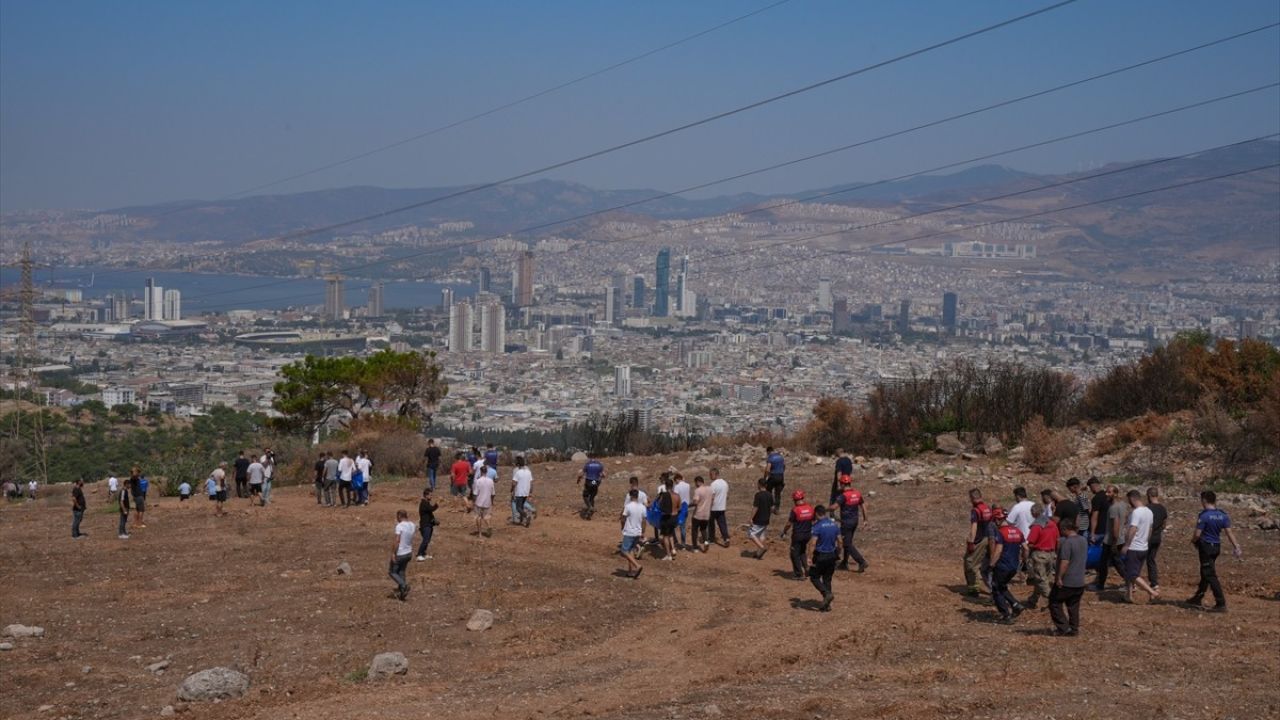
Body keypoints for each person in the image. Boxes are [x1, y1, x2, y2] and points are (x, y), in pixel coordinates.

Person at [1186, 491, 1242, 612]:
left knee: (1209, 574)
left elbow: (1197, 534)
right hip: (1216, 547)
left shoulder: (1204, 516)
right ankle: (1198, 597)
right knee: (1205, 571)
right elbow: (1229, 532)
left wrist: (1193, 541)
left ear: (1204, 500)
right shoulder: (1222, 515)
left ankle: (1221, 603)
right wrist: (1236, 546)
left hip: (1206, 547)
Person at [1119, 489, 1160, 604]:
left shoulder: (1136, 512)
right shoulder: (1149, 512)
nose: (1129, 503)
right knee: (1129, 572)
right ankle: (1128, 595)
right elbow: (1150, 529)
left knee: (1133, 574)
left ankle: (1151, 592)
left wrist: (1126, 545)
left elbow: (1133, 529)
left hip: (1134, 547)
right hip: (1143, 547)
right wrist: (1146, 541)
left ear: (1132, 499)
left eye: (1129, 500)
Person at [1049, 518, 1087, 636]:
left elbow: (1064, 562)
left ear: (1065, 529)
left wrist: (1059, 577)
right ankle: (1073, 629)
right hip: (1080, 581)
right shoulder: (1083, 540)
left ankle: (1064, 628)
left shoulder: (1067, 543)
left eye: (1061, 530)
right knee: (1073, 606)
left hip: (1068, 581)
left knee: (1054, 602)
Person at [987, 507, 1026, 624]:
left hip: (1002, 566)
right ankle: (1016, 605)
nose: (994, 523)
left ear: (998, 520)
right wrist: (1023, 561)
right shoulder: (1018, 531)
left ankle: (1006, 615)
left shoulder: (1001, 533)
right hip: (1014, 567)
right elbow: (1026, 548)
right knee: (1002, 586)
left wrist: (991, 564)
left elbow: (998, 550)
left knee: (996, 589)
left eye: (995, 520)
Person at [1093, 485, 1127, 592]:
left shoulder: (1113, 508)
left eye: (1109, 492)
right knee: (1114, 562)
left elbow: (1115, 526)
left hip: (1111, 540)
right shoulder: (1123, 505)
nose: (1106, 494)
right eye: (1106, 492)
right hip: (1119, 539)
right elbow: (1124, 520)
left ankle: (1129, 582)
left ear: (1115, 494)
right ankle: (1129, 582)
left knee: (1110, 563)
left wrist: (1113, 543)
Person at [831, 474, 868, 572]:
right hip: (855, 521)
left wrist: (824, 510)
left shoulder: (843, 496)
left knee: (846, 543)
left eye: (840, 484)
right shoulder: (857, 493)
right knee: (848, 541)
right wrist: (865, 519)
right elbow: (863, 506)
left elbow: (834, 507)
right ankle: (844, 562)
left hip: (846, 522)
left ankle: (861, 561)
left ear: (842, 484)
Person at [1024, 504, 1058, 609]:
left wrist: (1026, 557)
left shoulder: (1037, 526)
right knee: (1044, 577)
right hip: (1051, 554)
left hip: (1039, 555)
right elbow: (1058, 539)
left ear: (1034, 513)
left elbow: (1030, 543)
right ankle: (1033, 599)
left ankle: (1053, 601)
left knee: (1041, 580)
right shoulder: (1052, 524)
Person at [808, 505, 841, 611]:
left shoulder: (817, 526)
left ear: (817, 513)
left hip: (820, 556)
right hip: (832, 555)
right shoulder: (834, 525)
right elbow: (840, 541)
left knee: (814, 577)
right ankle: (827, 605)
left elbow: (813, 543)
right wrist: (838, 553)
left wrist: (809, 557)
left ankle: (826, 594)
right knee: (827, 579)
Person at [963, 488, 993, 596]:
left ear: (972, 498)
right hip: (989, 538)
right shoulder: (987, 508)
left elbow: (974, 527)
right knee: (983, 563)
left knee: (970, 563)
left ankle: (974, 589)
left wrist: (971, 542)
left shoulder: (976, 510)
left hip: (979, 540)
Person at [781, 490, 815, 580]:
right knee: (802, 551)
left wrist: (784, 531)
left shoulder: (795, 510)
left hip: (797, 535)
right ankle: (807, 568)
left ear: (795, 500)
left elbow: (789, 523)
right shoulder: (810, 508)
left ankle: (799, 574)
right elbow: (814, 520)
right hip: (808, 534)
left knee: (794, 554)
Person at [389, 510, 416, 601]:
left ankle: (404, 586)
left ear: (400, 516)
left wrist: (393, 553)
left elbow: (397, 540)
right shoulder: (412, 525)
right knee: (401, 572)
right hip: (408, 552)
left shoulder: (399, 526)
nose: (397, 519)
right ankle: (402, 593)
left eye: (397, 517)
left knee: (392, 572)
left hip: (400, 553)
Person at [619, 488, 646, 579]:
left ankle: (637, 565)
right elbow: (644, 521)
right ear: (638, 496)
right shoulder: (642, 507)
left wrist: (622, 527)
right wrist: (643, 531)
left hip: (629, 531)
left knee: (624, 551)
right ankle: (630, 571)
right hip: (638, 532)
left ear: (630, 496)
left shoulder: (628, 506)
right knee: (630, 551)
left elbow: (623, 518)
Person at [1145, 487, 1167, 591]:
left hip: (1147, 537)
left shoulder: (1147, 508)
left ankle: (1134, 582)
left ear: (1149, 495)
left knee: (1139, 559)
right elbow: (1164, 524)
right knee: (1151, 560)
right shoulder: (1162, 508)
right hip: (1157, 537)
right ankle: (1154, 583)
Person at [748, 478, 773, 559]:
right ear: (766, 485)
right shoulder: (770, 494)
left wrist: (751, 518)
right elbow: (772, 507)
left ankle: (762, 547)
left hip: (758, 519)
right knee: (761, 535)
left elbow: (755, 507)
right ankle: (758, 554)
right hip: (766, 519)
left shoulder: (758, 495)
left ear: (759, 485)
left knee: (751, 534)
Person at [576, 455, 605, 519]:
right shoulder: (600, 464)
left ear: (590, 457)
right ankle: (590, 512)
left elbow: (581, 474)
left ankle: (590, 507)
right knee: (592, 497)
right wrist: (599, 480)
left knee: (585, 495)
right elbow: (603, 475)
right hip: (595, 482)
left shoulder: (588, 464)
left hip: (589, 482)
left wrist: (578, 480)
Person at [657, 476, 679, 561]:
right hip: (674, 517)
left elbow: (659, 506)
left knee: (665, 536)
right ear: (672, 486)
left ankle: (668, 554)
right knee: (671, 534)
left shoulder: (665, 495)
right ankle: (673, 548)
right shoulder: (677, 496)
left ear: (665, 486)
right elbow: (679, 507)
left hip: (666, 517)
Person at [708, 468, 730, 548]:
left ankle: (711, 539)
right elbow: (727, 496)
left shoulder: (713, 484)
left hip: (713, 508)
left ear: (716, 474)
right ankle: (726, 538)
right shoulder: (725, 483)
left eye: (711, 474)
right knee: (722, 524)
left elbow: (712, 497)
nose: (710, 476)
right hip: (722, 507)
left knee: (711, 524)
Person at [471, 465, 495, 538]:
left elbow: (475, 493)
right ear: (486, 472)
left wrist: (473, 502)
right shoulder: (491, 481)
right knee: (486, 517)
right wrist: (492, 501)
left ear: (481, 471)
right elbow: (493, 493)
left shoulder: (478, 481)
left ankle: (480, 534)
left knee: (478, 517)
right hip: (487, 502)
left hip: (479, 502)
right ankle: (489, 525)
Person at [691, 476, 712, 552]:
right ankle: (706, 541)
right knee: (703, 529)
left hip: (698, 514)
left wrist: (689, 505)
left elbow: (695, 502)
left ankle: (695, 547)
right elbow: (712, 498)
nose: (695, 484)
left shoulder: (698, 490)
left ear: (697, 482)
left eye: (695, 483)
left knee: (694, 531)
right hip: (706, 514)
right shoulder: (710, 489)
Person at [511, 456, 534, 528]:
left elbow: (514, 483)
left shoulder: (517, 472)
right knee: (521, 506)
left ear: (517, 464)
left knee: (518, 508)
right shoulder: (528, 472)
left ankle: (526, 516)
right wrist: (530, 492)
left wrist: (511, 491)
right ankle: (522, 520)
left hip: (519, 492)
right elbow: (531, 483)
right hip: (526, 492)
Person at [416, 489, 438, 560]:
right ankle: (419, 554)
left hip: (429, 525)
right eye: (430, 495)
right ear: (426, 495)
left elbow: (430, 514)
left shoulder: (426, 503)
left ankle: (423, 554)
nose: (431, 496)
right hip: (425, 525)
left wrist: (434, 521)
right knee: (425, 540)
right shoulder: (424, 503)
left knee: (427, 540)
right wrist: (437, 504)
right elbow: (432, 509)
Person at [764, 446, 786, 513]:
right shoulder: (780, 457)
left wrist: (765, 478)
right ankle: (777, 509)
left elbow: (767, 469)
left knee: (768, 491)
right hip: (781, 476)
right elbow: (784, 466)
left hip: (773, 476)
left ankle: (770, 507)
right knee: (778, 493)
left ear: (768, 451)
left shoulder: (770, 458)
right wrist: (781, 472)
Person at [672, 472, 691, 549]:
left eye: (675, 480)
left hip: (679, 508)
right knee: (683, 527)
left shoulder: (676, 487)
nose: (675, 482)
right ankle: (683, 543)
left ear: (677, 479)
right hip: (686, 507)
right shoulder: (688, 485)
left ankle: (675, 541)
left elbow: (676, 497)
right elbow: (683, 479)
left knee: (673, 525)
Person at [1087, 477, 1108, 543]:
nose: (1090, 490)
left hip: (1098, 531)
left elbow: (1094, 516)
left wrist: (1092, 533)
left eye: (1090, 488)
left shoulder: (1096, 498)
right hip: (1107, 530)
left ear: (1092, 486)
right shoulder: (1107, 496)